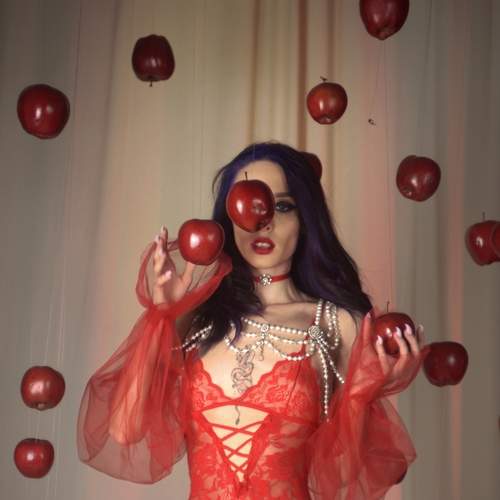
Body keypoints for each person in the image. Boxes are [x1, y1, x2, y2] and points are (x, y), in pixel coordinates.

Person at [77, 142, 428, 499]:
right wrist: (161, 314)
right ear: (228, 220)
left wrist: (364, 394)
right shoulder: (196, 318)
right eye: (245, 206)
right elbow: (125, 430)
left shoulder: (340, 323)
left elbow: (342, 477)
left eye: (282, 206)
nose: (263, 221)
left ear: (305, 218)